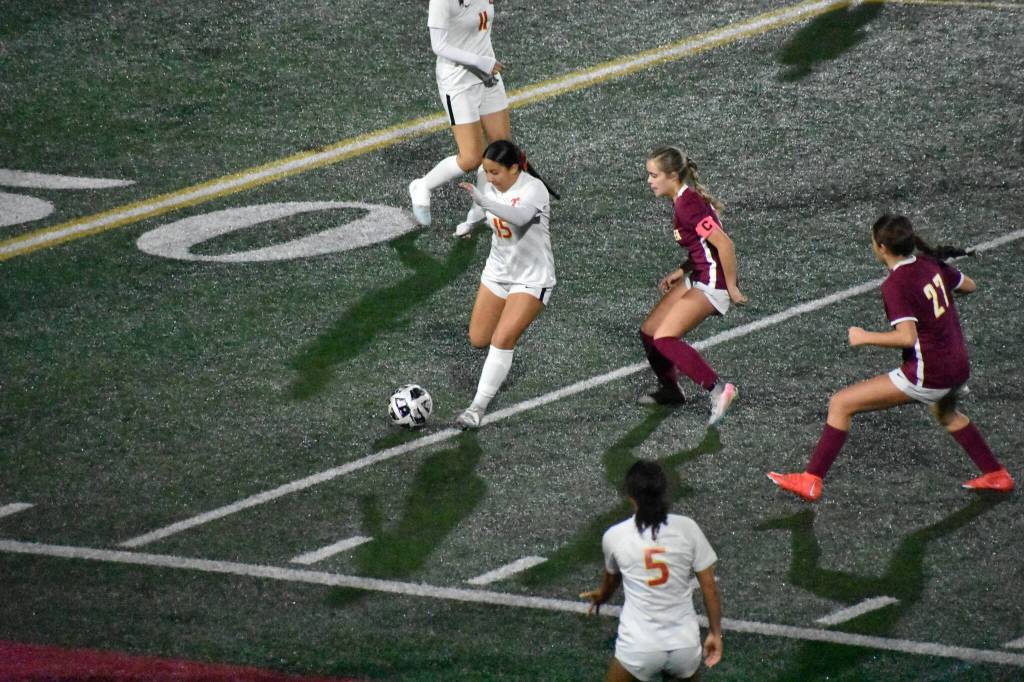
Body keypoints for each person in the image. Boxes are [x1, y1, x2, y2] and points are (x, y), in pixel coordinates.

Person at [768, 213, 1015, 502]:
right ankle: (996, 474)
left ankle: (811, 480)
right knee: (946, 413)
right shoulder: (929, 263)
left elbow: (906, 337)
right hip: (958, 365)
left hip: (929, 372)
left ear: (881, 248)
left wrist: (864, 337)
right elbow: (968, 286)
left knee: (841, 403)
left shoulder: (896, 284)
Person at [581, 461, 723, 682]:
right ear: (663, 491)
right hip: (684, 645)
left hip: (639, 646)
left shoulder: (615, 536)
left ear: (630, 496)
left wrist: (601, 596)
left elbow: (611, 581)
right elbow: (709, 588)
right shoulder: (688, 528)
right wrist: (715, 633)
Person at [453, 139, 558, 429]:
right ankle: (497, 363)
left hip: (531, 277)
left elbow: (520, 217)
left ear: (514, 168)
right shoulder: (488, 182)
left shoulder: (533, 189)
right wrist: (470, 225)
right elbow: (482, 212)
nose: (489, 178)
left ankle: (476, 409)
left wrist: (484, 200)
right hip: (497, 272)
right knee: (478, 339)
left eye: (495, 172)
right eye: (486, 171)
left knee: (502, 339)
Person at [638, 147, 746, 425]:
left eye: (654, 175)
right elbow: (703, 245)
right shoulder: (682, 199)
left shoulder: (688, 205)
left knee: (665, 338)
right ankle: (671, 390)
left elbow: (725, 244)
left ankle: (719, 389)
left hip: (713, 282)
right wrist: (682, 269)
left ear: (672, 175)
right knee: (650, 332)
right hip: (697, 273)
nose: (649, 181)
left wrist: (731, 287)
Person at [409, 0, 511, 236]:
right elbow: (439, 45)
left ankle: (480, 208)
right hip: (458, 83)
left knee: (501, 149)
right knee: (471, 157)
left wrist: (485, 64)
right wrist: (480, 62)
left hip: (487, 77)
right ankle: (422, 186)